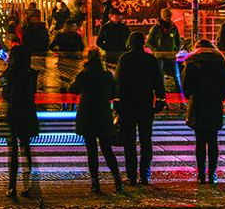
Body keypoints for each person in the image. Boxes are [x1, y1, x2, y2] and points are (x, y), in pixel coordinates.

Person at [114, 31, 165, 185]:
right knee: (146, 141)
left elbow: (120, 84)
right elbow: (158, 81)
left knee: (129, 142)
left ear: (129, 43)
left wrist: (117, 104)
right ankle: (145, 174)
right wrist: (160, 101)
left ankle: (131, 174)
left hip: (129, 106)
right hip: (146, 105)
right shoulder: (151, 59)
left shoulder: (124, 59)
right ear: (143, 43)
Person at [69, 49, 123, 193]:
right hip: (103, 115)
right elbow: (114, 93)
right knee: (107, 150)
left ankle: (95, 182)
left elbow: (73, 89)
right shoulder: (107, 75)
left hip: (87, 117)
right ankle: (117, 180)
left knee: (91, 151)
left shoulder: (83, 75)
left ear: (87, 59)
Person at [181, 38, 225, 184]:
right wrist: (220, 96)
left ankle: (201, 174)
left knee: (200, 141)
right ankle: (212, 174)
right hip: (214, 103)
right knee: (212, 140)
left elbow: (185, 85)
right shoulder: (219, 61)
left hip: (197, 102)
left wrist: (190, 96)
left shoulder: (190, 62)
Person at [0, 43, 40, 198]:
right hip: (28, 113)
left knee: (14, 154)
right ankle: (27, 185)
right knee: (26, 149)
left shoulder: (11, 74)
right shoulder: (31, 74)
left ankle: (12, 187)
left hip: (13, 115)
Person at [147, 7, 183, 97]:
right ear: (163, 17)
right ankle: (162, 97)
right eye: (166, 16)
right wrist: (157, 51)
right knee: (160, 78)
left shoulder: (174, 28)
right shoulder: (155, 29)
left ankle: (180, 98)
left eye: (169, 16)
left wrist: (175, 51)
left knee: (176, 78)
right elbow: (149, 42)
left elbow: (179, 41)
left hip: (171, 56)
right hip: (160, 57)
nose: (168, 17)